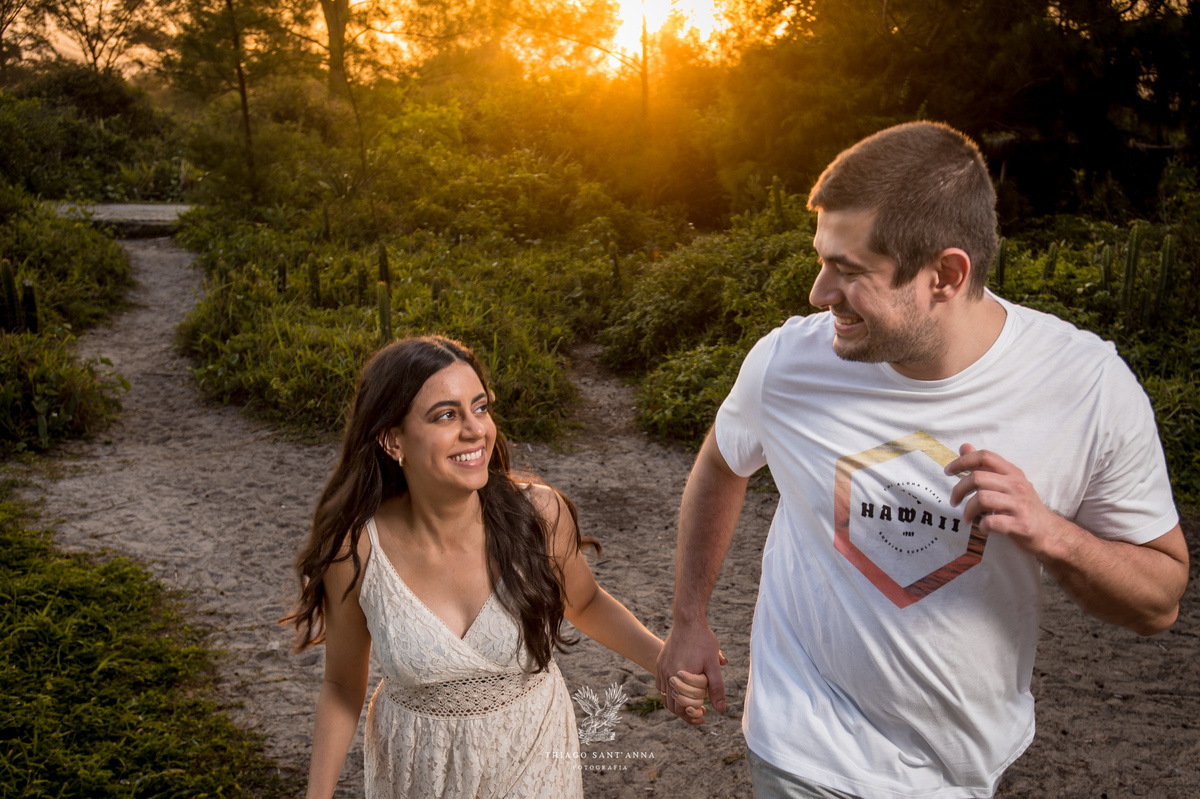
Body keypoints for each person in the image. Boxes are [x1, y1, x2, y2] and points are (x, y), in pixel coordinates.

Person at [656, 121, 1189, 799]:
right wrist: (689, 619)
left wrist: (1050, 530)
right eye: (822, 260)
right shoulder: (788, 365)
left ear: (945, 274)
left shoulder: (1085, 385)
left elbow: (1160, 601)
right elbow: (722, 463)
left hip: (962, 768)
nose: (819, 293)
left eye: (848, 271)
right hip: (802, 751)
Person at [287, 335, 714, 799]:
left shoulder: (539, 514)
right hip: (416, 773)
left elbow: (586, 602)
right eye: (446, 415)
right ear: (393, 439)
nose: (476, 430)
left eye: (480, 408)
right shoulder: (356, 550)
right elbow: (342, 685)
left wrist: (665, 663)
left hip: (533, 756)